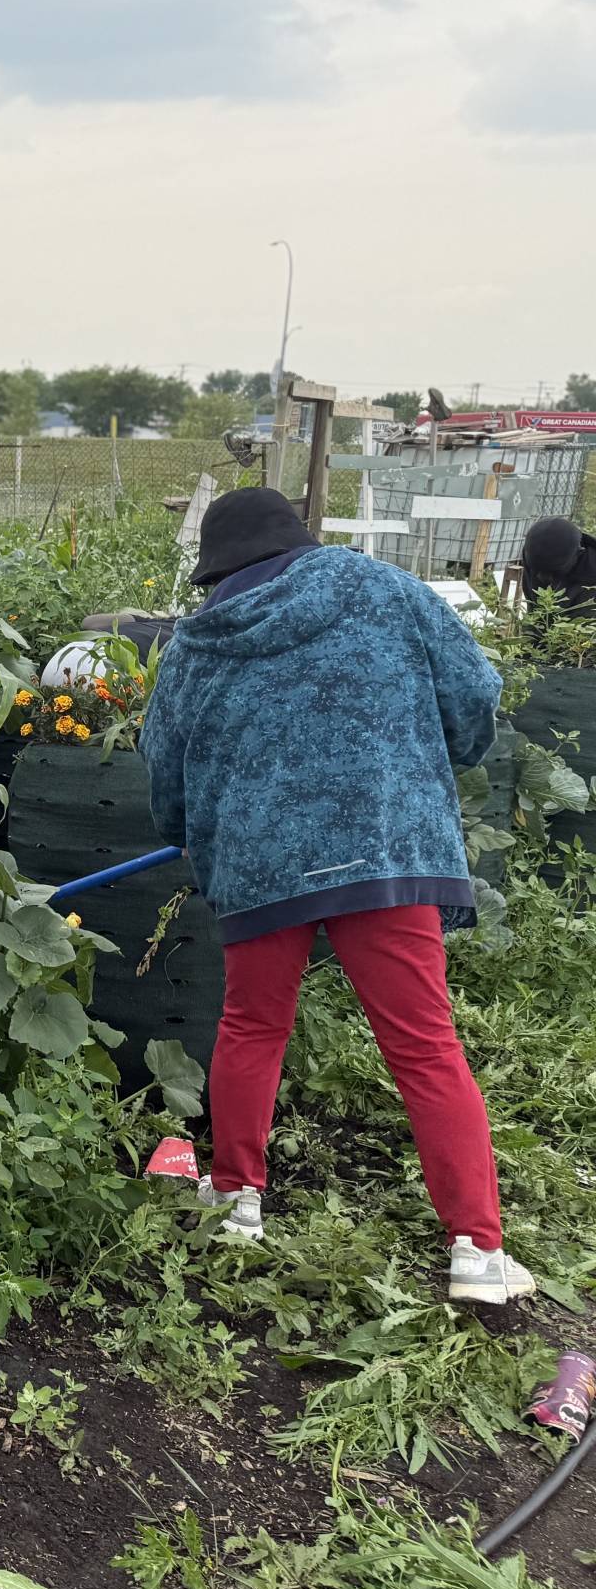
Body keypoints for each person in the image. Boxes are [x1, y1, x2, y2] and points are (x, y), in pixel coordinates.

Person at [142, 487, 533, 1305]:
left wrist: (186, 830)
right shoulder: (386, 589)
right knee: (425, 1044)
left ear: (217, 569)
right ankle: (476, 1252)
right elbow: (474, 694)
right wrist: (447, 754)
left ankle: (236, 1200)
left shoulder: (199, 638)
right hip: (383, 847)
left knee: (252, 1025)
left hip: (259, 862)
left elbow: (162, 760)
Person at [519, 515, 596, 617]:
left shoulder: (591, 577)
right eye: (538, 570)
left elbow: (582, 628)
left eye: (553, 571)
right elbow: (534, 612)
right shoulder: (532, 554)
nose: (541, 577)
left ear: (579, 553)